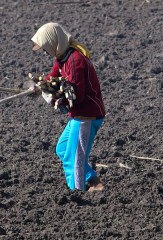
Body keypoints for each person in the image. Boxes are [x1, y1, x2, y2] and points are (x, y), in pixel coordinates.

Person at [31, 22, 106, 192]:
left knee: (75, 159)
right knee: (63, 149)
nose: (45, 51)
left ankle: (77, 192)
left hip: (86, 115)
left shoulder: (75, 60)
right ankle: (93, 181)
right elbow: (52, 77)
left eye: (45, 48)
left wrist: (55, 100)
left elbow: (77, 96)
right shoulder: (63, 57)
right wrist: (39, 86)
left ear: (53, 42)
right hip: (78, 115)